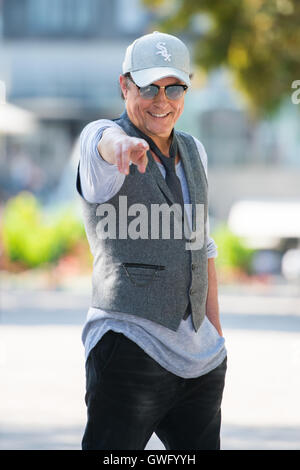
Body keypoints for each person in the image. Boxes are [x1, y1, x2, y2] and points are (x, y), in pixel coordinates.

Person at [76, 31, 227, 451]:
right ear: (124, 85)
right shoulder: (102, 144)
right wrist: (119, 144)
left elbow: (204, 246)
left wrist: (215, 337)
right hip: (129, 347)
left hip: (200, 361)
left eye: (173, 87)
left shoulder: (195, 151)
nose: (162, 101)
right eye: (148, 87)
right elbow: (100, 142)